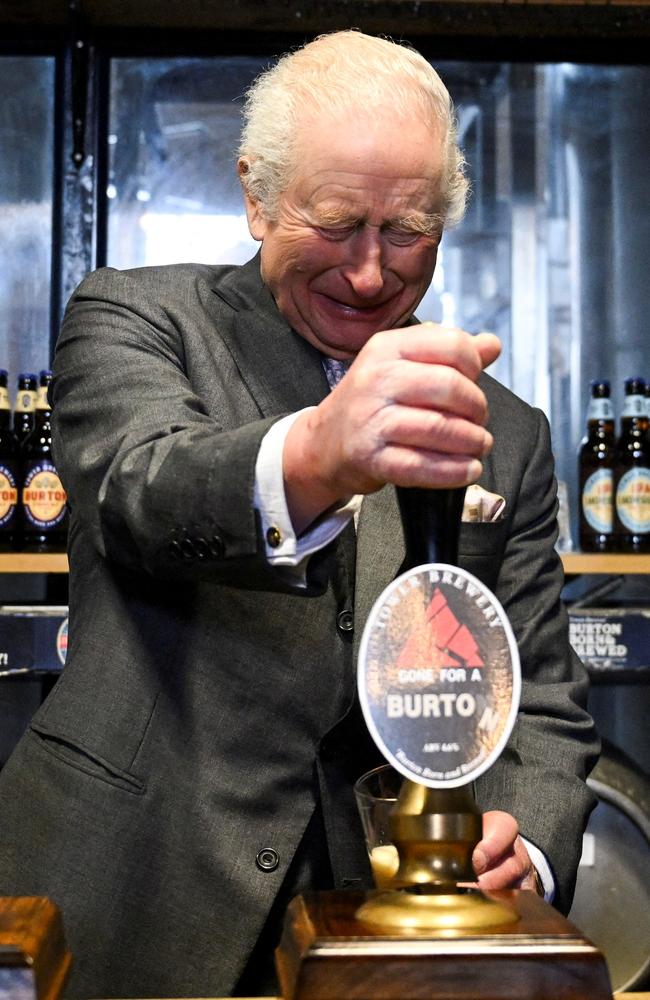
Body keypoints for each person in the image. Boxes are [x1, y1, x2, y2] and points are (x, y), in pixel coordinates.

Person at [0, 30, 598, 1000]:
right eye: (335, 223)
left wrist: (519, 839)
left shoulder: (508, 430)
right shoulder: (136, 319)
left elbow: (535, 691)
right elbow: (140, 492)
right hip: (131, 894)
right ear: (255, 194)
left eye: (406, 232)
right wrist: (321, 455)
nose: (369, 274)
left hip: (370, 937)